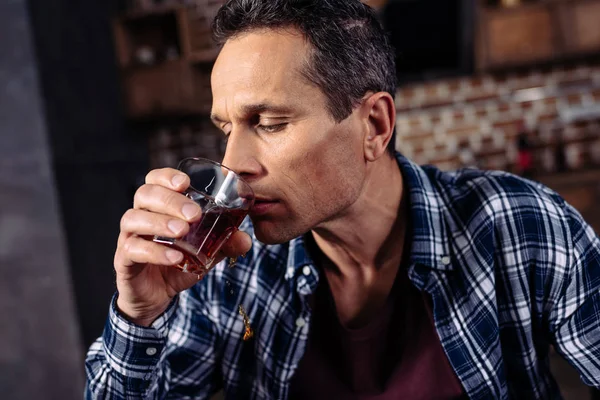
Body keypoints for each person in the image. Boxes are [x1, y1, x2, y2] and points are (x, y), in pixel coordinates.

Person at [85, 0, 600, 398]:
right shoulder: (225, 267)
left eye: (269, 123)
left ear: (374, 125)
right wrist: (140, 316)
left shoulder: (522, 224)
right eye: (226, 128)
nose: (234, 162)